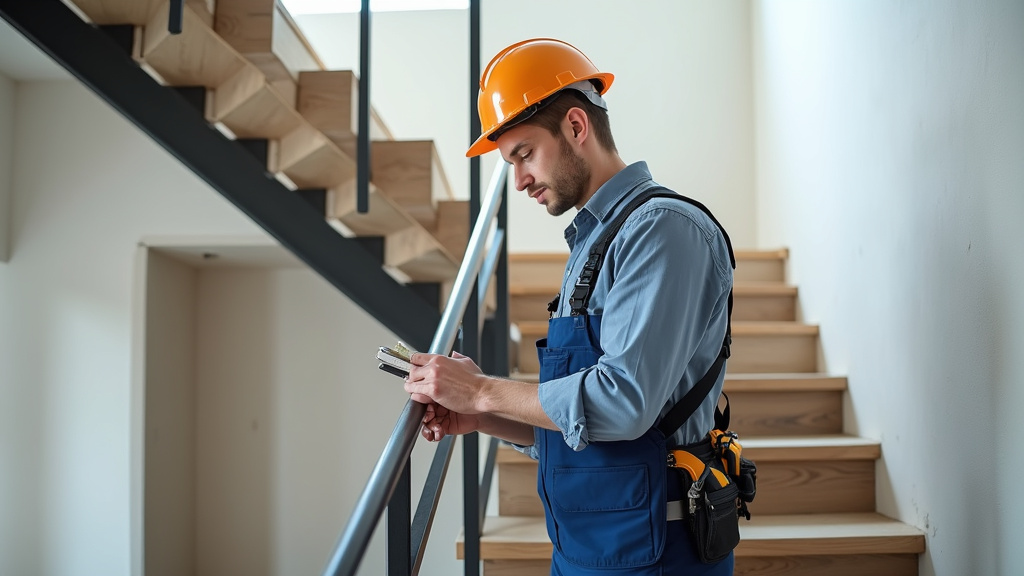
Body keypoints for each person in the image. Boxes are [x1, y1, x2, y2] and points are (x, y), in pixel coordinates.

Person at [404, 38, 735, 575]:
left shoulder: (661, 231)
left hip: (656, 549)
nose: (519, 180)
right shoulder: (593, 240)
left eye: (524, 154)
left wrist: (485, 389)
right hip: (591, 543)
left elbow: (624, 403)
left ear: (576, 128)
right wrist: (482, 415)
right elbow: (585, 428)